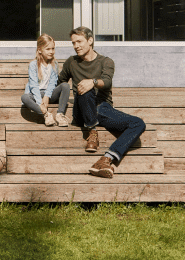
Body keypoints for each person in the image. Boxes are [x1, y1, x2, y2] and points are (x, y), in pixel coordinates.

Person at [62, 25, 146, 178]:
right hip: (81, 110)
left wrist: (92, 82)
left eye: (79, 42)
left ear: (90, 40)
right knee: (84, 90)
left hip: (102, 109)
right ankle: (92, 130)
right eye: (73, 43)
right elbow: (60, 83)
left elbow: (106, 82)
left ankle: (106, 159)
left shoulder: (106, 62)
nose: (76, 46)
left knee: (138, 123)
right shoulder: (71, 62)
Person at [19, 34, 72, 125]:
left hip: (49, 94)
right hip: (36, 95)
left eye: (53, 48)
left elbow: (52, 83)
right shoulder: (33, 65)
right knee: (24, 97)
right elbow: (33, 85)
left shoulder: (54, 64)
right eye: (48, 49)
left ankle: (60, 115)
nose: (51, 51)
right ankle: (46, 114)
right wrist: (40, 103)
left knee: (65, 85)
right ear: (39, 50)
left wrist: (47, 97)